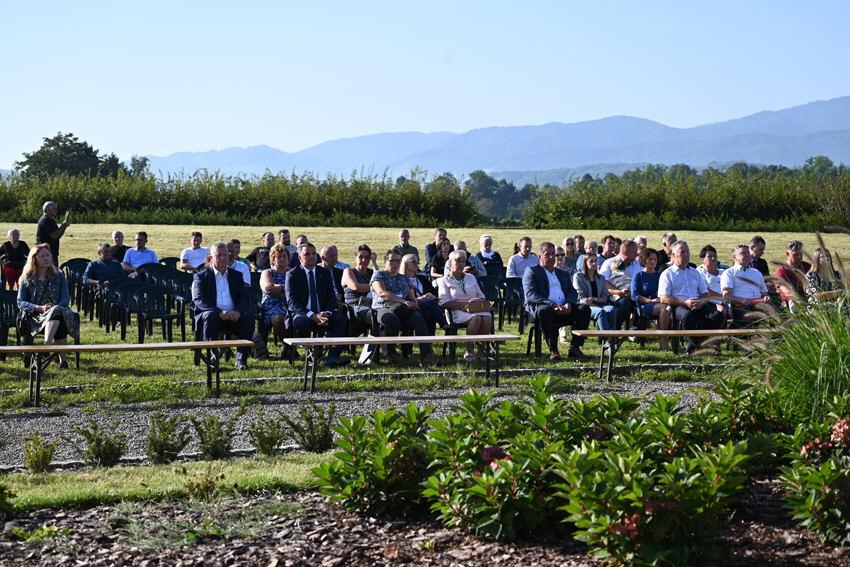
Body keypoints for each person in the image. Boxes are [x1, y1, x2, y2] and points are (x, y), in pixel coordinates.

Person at [523, 242, 591, 361]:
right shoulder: (532, 271)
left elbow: (572, 292)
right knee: (545, 311)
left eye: (553, 254)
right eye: (547, 254)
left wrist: (568, 303)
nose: (551, 257)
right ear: (539, 257)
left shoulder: (562, 273)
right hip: (544, 307)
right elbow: (531, 295)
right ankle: (553, 350)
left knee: (584, 309)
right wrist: (552, 304)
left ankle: (575, 347)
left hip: (564, 308)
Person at [285, 242, 350, 367]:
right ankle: (312, 355)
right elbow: (292, 302)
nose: (311, 256)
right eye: (307, 254)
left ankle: (332, 357)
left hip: (323, 313)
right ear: (299, 257)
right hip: (303, 313)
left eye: (314, 253)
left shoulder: (324, 273)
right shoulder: (292, 274)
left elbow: (331, 297)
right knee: (301, 322)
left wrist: (327, 313)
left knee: (340, 320)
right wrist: (312, 315)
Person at [192, 243, 254, 370]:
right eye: (218, 255)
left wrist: (238, 312)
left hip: (234, 316)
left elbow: (244, 298)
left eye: (225, 255)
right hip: (213, 316)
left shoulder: (236, 275)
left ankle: (241, 360)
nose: (222, 258)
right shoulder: (201, 277)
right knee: (209, 315)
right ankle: (213, 359)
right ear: (211, 258)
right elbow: (199, 300)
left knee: (248, 316)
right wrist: (219, 312)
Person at [370, 250, 439, 366]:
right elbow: (382, 293)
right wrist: (404, 301)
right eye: (392, 260)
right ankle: (391, 353)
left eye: (398, 261)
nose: (396, 264)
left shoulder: (403, 278)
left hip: (402, 308)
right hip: (382, 307)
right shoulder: (379, 275)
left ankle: (427, 355)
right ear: (385, 261)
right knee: (392, 319)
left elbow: (410, 294)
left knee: (418, 318)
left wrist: (414, 302)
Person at [17, 244, 78, 368]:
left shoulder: (59, 275)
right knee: (58, 320)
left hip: (59, 311)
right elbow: (20, 302)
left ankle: (46, 347)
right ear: (34, 259)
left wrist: (55, 307)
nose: (46, 258)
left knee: (57, 313)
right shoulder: (26, 277)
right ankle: (63, 361)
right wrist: (38, 308)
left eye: (48, 255)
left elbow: (65, 298)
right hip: (36, 316)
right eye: (42, 256)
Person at [659, 241, 725, 354]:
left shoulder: (695, 273)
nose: (686, 254)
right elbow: (663, 298)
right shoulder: (667, 274)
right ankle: (694, 347)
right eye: (682, 252)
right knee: (687, 316)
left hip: (698, 304)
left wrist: (700, 302)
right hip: (678, 305)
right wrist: (684, 303)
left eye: (687, 251)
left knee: (716, 315)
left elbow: (705, 294)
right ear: (673, 255)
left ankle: (706, 344)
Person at [438, 250, 493, 361]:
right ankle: (469, 350)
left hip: (475, 308)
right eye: (458, 261)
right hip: (456, 311)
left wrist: (476, 301)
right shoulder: (444, 281)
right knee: (476, 318)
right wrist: (464, 304)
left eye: (463, 262)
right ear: (450, 262)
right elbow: (444, 302)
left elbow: (481, 296)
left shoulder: (471, 277)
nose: (461, 264)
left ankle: (481, 352)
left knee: (487, 317)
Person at [721, 244, 772, 325]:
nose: (747, 255)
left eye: (748, 253)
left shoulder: (757, 273)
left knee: (779, 313)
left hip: (759, 304)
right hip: (740, 305)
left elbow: (765, 293)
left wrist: (766, 297)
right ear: (734, 257)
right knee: (751, 316)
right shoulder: (729, 273)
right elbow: (726, 296)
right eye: (743, 253)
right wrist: (742, 300)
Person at [630, 248, 670, 349]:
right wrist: (649, 301)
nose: (653, 261)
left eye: (655, 259)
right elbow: (634, 295)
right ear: (644, 260)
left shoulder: (660, 275)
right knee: (664, 309)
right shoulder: (638, 276)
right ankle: (664, 339)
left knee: (666, 308)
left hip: (660, 302)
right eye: (650, 259)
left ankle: (666, 338)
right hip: (644, 305)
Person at [600, 240, 640, 329]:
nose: (636, 254)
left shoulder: (637, 265)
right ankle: (612, 332)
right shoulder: (609, 263)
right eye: (634, 252)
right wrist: (619, 292)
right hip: (614, 297)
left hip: (634, 296)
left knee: (643, 304)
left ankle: (636, 331)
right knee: (624, 303)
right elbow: (603, 283)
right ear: (625, 252)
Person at [403, 253, 446, 335]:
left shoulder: (422, 278)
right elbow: (403, 299)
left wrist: (431, 296)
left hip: (425, 307)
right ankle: (444, 324)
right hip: (410, 307)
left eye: (418, 262)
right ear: (405, 263)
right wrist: (421, 299)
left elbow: (434, 292)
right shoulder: (402, 280)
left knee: (428, 315)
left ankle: (427, 341)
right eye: (413, 261)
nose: (416, 264)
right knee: (432, 304)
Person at [573, 254, 618, 332]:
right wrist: (589, 301)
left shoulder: (601, 278)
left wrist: (594, 299)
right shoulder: (578, 277)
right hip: (586, 306)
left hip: (600, 304)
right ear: (585, 263)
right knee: (600, 312)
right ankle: (606, 337)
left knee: (611, 309)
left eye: (596, 261)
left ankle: (612, 336)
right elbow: (580, 297)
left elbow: (604, 297)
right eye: (591, 261)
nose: (594, 263)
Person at [260, 244, 291, 351]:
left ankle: (292, 347)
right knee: (278, 319)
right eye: (278, 257)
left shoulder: (292, 273)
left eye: (284, 256)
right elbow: (269, 290)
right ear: (273, 259)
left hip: (291, 305)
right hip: (272, 306)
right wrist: (287, 288)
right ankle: (288, 346)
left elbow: (299, 292)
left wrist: (279, 287)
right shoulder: (267, 273)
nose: (282, 259)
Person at [342, 244, 375, 335]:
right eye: (361, 257)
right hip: (354, 307)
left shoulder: (372, 272)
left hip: (372, 305)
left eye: (367, 258)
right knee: (375, 316)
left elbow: (382, 283)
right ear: (355, 258)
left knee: (387, 315)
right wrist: (375, 287)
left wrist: (375, 263)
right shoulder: (349, 271)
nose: (364, 260)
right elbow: (356, 287)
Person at [774, 240, 812, 313]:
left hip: (809, 299)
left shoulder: (808, 267)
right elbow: (786, 291)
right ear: (787, 254)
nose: (799, 257)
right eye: (795, 254)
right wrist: (799, 300)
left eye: (801, 254)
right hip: (792, 303)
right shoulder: (781, 271)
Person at [36, 201, 70, 266]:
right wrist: (64, 225)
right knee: (50, 271)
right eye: (54, 208)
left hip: (50, 252)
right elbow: (55, 235)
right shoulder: (45, 220)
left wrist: (64, 225)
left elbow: (57, 234)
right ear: (48, 210)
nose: (56, 210)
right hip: (46, 253)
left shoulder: (50, 220)